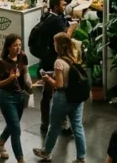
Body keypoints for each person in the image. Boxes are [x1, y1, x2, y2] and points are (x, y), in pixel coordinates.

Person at [33, 32, 88, 163]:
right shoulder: (74, 58)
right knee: (77, 126)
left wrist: (47, 78)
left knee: (54, 125)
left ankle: (47, 152)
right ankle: (81, 157)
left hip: (62, 98)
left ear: (60, 45)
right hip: (77, 97)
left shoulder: (58, 62)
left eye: (54, 43)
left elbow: (59, 85)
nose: (53, 45)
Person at [34, 0, 78, 133]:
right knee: (61, 92)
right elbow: (65, 40)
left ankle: (44, 122)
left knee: (46, 94)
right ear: (55, 6)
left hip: (45, 62)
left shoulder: (46, 17)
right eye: (62, 4)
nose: (64, 6)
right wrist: (71, 28)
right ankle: (63, 124)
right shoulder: (57, 22)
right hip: (54, 62)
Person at [0, 33, 31, 163]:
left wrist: (30, 85)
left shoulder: (23, 56)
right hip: (7, 98)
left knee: (12, 125)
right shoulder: (2, 63)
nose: (18, 48)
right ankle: (20, 159)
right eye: (15, 45)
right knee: (16, 129)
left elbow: (26, 73)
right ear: (8, 47)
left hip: (20, 96)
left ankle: (0, 142)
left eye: (20, 45)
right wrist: (9, 79)